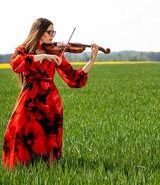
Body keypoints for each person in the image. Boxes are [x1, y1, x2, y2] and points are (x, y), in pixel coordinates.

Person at [2, 18, 100, 169]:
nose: (52, 36)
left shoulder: (56, 52)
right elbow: (16, 64)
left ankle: (47, 170)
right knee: (20, 133)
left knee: (48, 137)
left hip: (50, 100)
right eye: (49, 32)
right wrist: (43, 56)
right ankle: (21, 169)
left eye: (53, 32)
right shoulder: (24, 49)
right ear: (39, 32)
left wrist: (91, 60)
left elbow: (73, 79)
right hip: (30, 99)